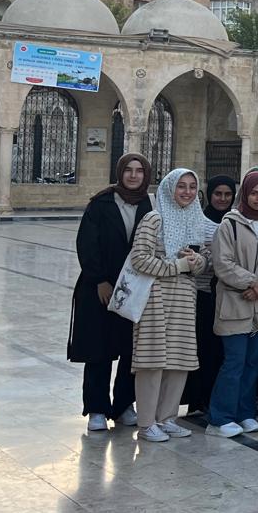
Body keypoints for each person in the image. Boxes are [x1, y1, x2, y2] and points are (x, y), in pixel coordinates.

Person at [127, 167, 214, 442]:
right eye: (181, 186)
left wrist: (199, 262)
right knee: (152, 361)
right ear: (169, 188)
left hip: (185, 298)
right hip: (155, 297)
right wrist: (178, 265)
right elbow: (139, 258)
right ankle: (146, 423)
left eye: (191, 187)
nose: (187, 192)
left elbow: (205, 260)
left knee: (179, 359)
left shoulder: (198, 220)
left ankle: (167, 418)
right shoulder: (154, 219)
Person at [69, 153, 153, 431]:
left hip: (135, 289)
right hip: (100, 290)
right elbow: (87, 244)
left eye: (139, 171)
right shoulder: (102, 203)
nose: (133, 175)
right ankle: (96, 408)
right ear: (119, 172)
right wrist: (100, 280)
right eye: (128, 170)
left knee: (131, 350)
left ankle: (124, 405)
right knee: (99, 350)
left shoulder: (150, 206)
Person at [207, 172, 258, 438]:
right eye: (255, 193)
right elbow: (223, 263)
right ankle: (220, 417)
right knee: (234, 361)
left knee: (253, 362)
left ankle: (244, 412)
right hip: (235, 303)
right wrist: (253, 283)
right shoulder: (229, 225)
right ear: (246, 195)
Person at [184, 175, 237, 417]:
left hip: (226, 295)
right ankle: (197, 399)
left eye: (228, 194)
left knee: (220, 351)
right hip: (202, 294)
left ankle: (216, 398)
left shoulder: (235, 221)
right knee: (201, 349)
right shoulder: (199, 221)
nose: (223, 199)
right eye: (218, 194)